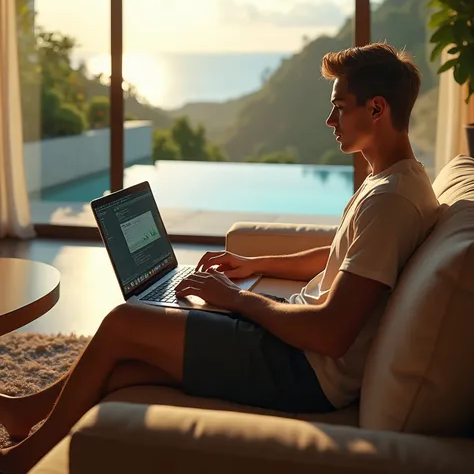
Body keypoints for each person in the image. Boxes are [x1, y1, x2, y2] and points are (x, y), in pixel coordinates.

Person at [0, 42, 439, 474]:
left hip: (303, 371)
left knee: (125, 320)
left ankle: (25, 460)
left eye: (339, 107)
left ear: (377, 109)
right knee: (125, 369)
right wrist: (256, 266)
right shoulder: (396, 180)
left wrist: (237, 299)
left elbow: (330, 334)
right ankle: (24, 415)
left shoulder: (390, 201)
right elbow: (341, 255)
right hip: (293, 351)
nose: (330, 120)